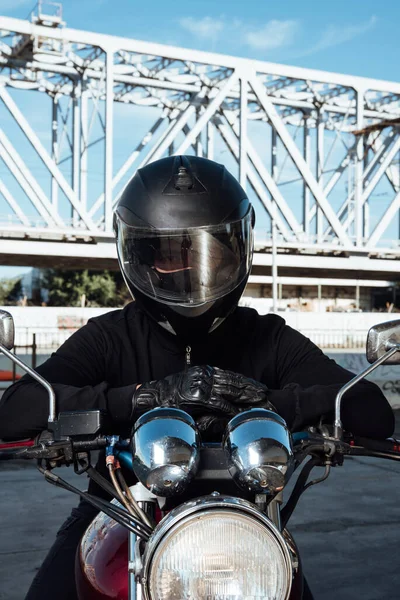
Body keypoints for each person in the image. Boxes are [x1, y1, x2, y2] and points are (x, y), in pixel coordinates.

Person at [0, 155, 394, 600]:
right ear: (140, 258)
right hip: (118, 510)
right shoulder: (110, 337)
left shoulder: (267, 336)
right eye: (168, 254)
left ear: (238, 252)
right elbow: (15, 412)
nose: (189, 271)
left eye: (209, 253)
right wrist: (142, 399)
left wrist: (266, 403)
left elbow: (372, 412)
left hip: (243, 524)